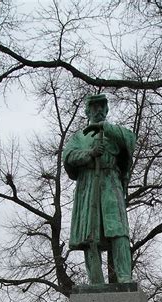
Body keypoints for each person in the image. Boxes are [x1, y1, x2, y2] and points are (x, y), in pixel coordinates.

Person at [63, 94, 136, 284]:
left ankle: (124, 276)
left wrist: (105, 128)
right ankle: (95, 280)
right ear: (87, 111)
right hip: (88, 186)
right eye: (94, 107)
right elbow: (69, 157)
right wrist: (89, 154)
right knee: (90, 236)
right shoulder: (79, 136)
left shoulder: (115, 131)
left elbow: (130, 141)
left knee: (119, 231)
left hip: (110, 182)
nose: (99, 111)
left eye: (102, 107)